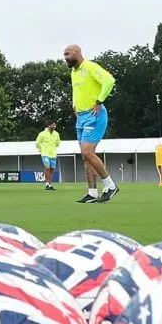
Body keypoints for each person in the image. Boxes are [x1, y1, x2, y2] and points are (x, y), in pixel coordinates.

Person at [64, 44, 119, 204]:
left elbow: (109, 81)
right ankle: (92, 193)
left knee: (88, 152)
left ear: (77, 53)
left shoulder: (90, 67)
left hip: (94, 115)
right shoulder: (73, 72)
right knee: (85, 156)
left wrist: (99, 101)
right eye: (64, 55)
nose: (65, 58)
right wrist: (75, 107)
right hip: (81, 117)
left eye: (68, 54)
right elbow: (76, 92)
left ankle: (110, 185)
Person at [36, 121, 61, 191]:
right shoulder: (42, 134)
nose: (54, 126)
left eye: (55, 125)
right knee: (47, 167)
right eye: (53, 125)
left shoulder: (56, 134)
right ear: (49, 125)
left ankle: (50, 184)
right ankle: (46, 184)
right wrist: (41, 150)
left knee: (52, 170)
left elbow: (58, 143)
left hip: (53, 154)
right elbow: (37, 143)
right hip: (45, 153)